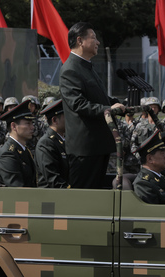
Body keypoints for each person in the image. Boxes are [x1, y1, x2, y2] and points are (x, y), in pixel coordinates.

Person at [59, 22, 125, 189]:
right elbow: (78, 104)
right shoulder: (70, 69)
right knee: (83, 197)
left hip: (97, 145)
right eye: (94, 38)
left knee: (95, 192)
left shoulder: (86, 67)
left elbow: (99, 98)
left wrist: (117, 104)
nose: (98, 42)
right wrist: (108, 109)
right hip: (85, 149)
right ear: (80, 41)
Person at [0, 101, 36, 187]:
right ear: (13, 126)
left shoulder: (23, 149)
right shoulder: (8, 154)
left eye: (32, 123)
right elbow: (17, 190)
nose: (32, 127)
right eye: (28, 123)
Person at [34, 99, 69, 188]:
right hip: (52, 197)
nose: (70, 120)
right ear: (54, 120)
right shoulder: (46, 143)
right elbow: (53, 179)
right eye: (67, 116)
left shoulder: (62, 140)